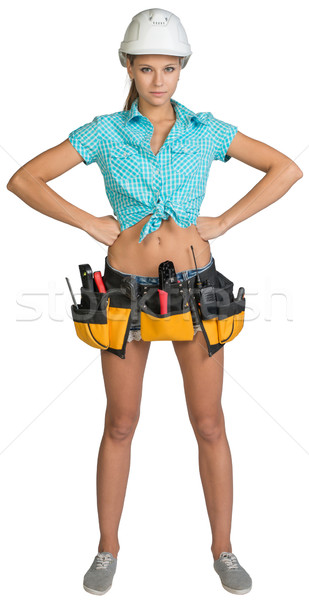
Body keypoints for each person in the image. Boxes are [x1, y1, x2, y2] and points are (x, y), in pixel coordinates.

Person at [7, 7, 302, 597]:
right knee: (120, 422)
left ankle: (223, 549)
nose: (159, 80)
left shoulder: (206, 131)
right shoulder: (104, 133)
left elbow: (285, 168)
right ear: (128, 68)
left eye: (169, 67)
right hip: (123, 289)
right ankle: (106, 550)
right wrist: (90, 222)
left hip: (196, 289)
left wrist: (223, 220)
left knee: (210, 422)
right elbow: (24, 179)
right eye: (147, 68)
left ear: (182, 69)